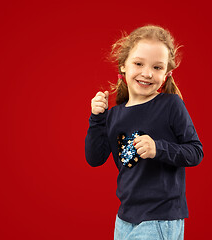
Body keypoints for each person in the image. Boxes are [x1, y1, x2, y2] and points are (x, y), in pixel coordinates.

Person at [85, 25, 204, 240]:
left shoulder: (171, 105)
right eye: (139, 63)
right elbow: (94, 158)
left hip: (160, 217)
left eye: (157, 67)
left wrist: (158, 148)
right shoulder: (114, 115)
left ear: (167, 73)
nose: (147, 73)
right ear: (123, 66)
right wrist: (97, 118)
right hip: (124, 219)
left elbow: (195, 151)